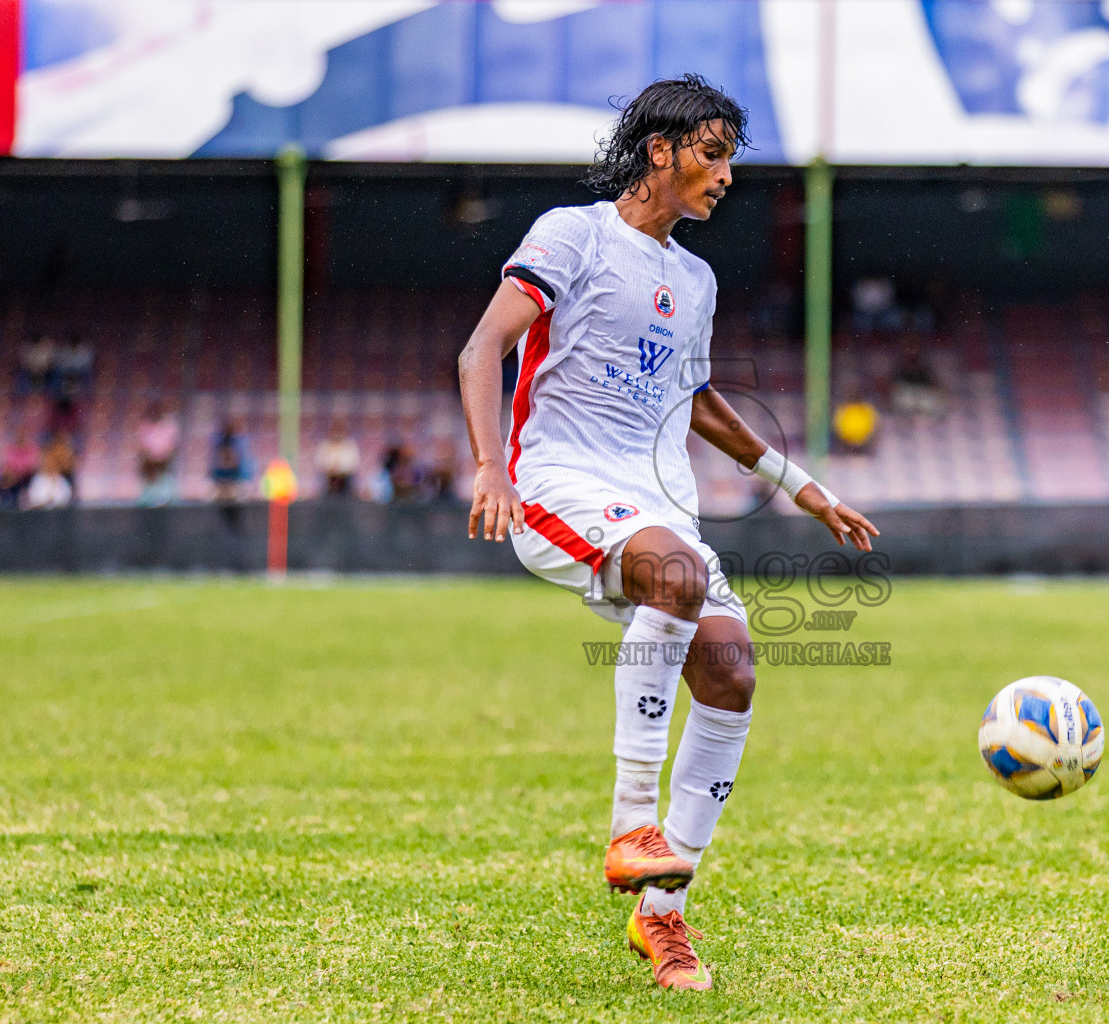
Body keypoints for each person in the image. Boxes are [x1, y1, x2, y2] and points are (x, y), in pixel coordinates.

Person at [458, 74, 878, 992]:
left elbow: (699, 401)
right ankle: (631, 824)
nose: (726, 176)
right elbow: (482, 347)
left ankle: (662, 915)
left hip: (656, 508)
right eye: (713, 154)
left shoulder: (695, 278)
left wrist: (804, 489)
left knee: (732, 674)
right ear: (661, 151)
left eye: (730, 161)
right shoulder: (572, 236)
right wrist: (490, 465)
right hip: (560, 483)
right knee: (680, 577)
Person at [137, 401, 180, 505]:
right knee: (149, 481)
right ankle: (150, 498)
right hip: (150, 460)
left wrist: (162, 454)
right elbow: (142, 445)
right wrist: (152, 455)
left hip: (164, 460)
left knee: (166, 480)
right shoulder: (145, 426)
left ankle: (166, 498)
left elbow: (172, 445)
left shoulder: (169, 426)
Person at [314, 419, 360, 497]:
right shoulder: (325, 445)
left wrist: (341, 471)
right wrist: (331, 469)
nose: (337, 433)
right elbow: (319, 461)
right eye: (335, 430)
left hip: (345, 479)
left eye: (340, 430)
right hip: (329, 478)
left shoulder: (350, 445)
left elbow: (354, 463)